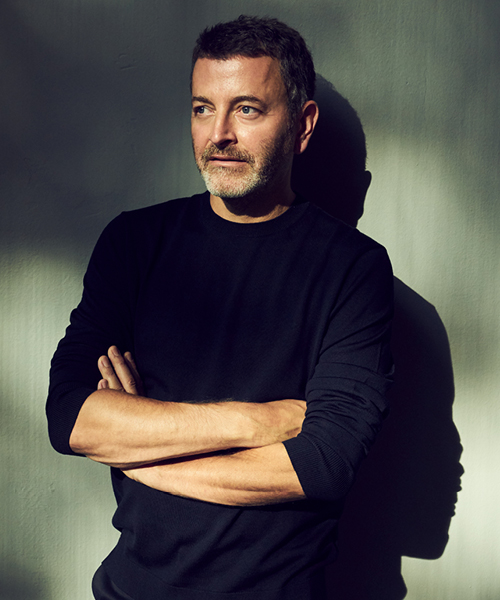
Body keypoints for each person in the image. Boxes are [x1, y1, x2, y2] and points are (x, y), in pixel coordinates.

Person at [47, 15, 394, 600]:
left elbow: (324, 464)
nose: (219, 134)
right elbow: (71, 418)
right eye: (203, 108)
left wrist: (140, 452)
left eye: (247, 109)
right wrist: (261, 421)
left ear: (303, 125)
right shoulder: (134, 243)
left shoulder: (353, 268)